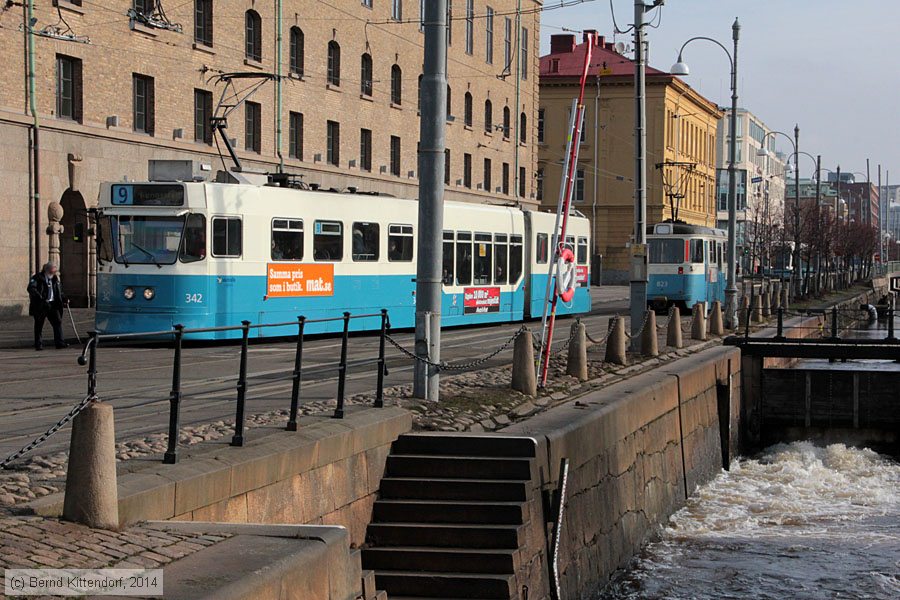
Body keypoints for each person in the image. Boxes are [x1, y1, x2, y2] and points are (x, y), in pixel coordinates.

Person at [27, 262, 68, 351]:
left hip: (53, 304)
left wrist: (64, 299)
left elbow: (59, 291)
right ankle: (38, 344)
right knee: (39, 325)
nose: (53, 274)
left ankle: (60, 342)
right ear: (46, 270)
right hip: (41, 305)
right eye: (52, 272)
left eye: (54, 272)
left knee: (57, 322)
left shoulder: (55, 279)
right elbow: (31, 288)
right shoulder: (37, 278)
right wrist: (40, 298)